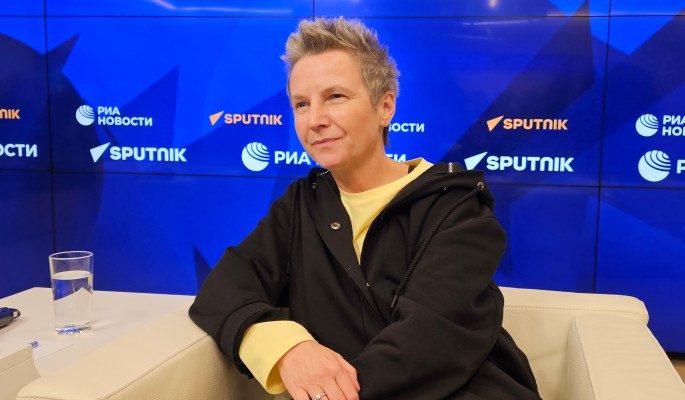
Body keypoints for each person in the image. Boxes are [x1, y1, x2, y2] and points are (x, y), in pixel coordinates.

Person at [189, 17, 540, 400]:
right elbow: (225, 287)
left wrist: (329, 394)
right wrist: (289, 350)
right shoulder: (301, 204)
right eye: (302, 104)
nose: (315, 120)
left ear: (385, 106)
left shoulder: (456, 206)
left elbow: (429, 341)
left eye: (335, 97)